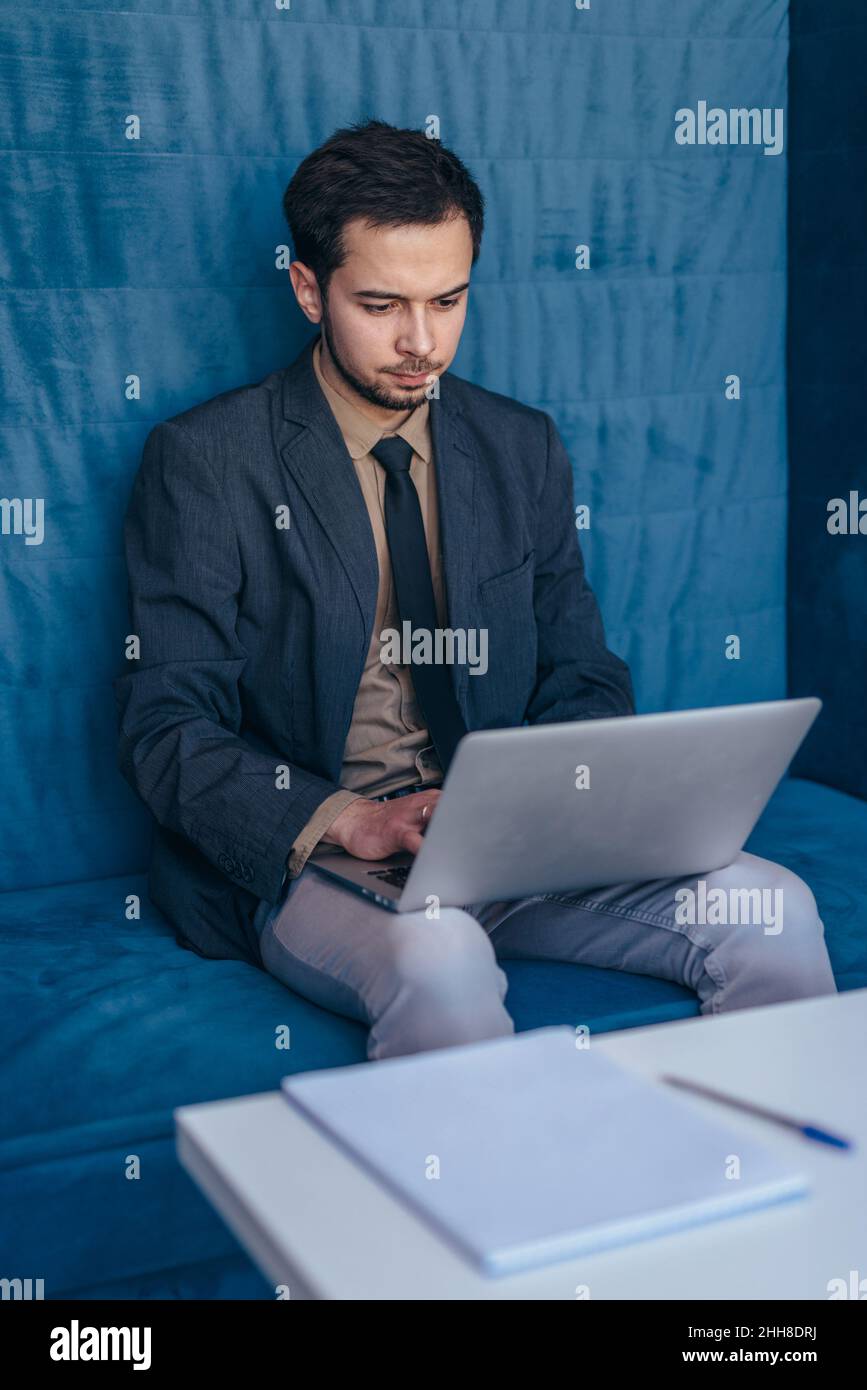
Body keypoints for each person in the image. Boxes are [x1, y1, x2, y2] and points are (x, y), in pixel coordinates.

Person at [114, 120, 836, 1060]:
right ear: (306, 289)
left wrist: (546, 800)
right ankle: (477, 1205)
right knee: (440, 958)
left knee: (774, 908)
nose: (422, 342)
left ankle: (773, 1197)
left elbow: (582, 671)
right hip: (324, 852)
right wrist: (350, 820)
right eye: (381, 305)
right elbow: (165, 724)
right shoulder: (207, 460)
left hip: (512, 844)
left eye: (447, 300)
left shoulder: (518, 446)